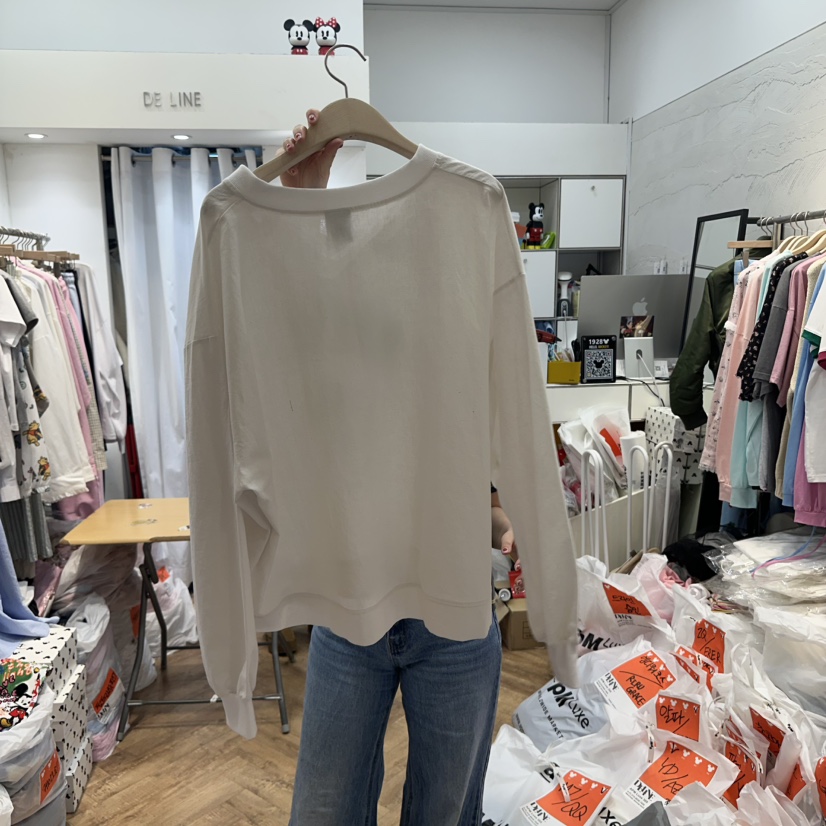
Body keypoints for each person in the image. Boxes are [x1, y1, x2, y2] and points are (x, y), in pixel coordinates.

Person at [278, 110, 516, 826]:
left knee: (445, 811)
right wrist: (304, 198)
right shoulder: (338, 350)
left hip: (457, 600)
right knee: (323, 810)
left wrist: (501, 519)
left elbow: (483, 450)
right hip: (350, 603)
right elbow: (293, 327)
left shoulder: (462, 327)